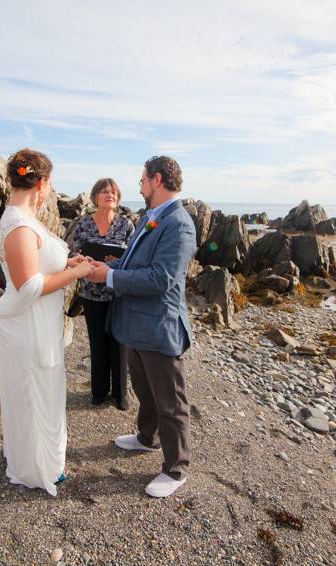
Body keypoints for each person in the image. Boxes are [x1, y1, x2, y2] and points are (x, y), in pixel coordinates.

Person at [87, 156, 197, 498]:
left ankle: (176, 467)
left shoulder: (178, 224)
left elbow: (162, 279)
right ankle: (146, 438)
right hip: (135, 324)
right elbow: (137, 262)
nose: (140, 186)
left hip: (159, 326)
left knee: (170, 400)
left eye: (142, 181)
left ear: (157, 180)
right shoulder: (152, 217)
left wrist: (111, 277)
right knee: (145, 390)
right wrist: (106, 265)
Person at [0, 148, 92, 496]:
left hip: (40, 325)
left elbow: (38, 266)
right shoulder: (19, 224)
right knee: (32, 391)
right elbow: (28, 287)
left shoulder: (25, 217)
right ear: (43, 183)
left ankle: (48, 461)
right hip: (27, 326)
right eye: (51, 183)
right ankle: (34, 467)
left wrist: (66, 264)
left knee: (45, 390)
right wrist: (77, 273)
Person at [68, 178, 135, 410]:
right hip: (90, 292)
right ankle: (98, 392)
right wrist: (86, 259)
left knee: (119, 343)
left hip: (117, 292)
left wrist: (116, 262)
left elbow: (133, 258)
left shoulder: (126, 225)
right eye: (105, 191)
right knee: (97, 343)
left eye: (114, 192)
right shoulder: (83, 224)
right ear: (96, 196)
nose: (110, 195)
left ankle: (120, 395)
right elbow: (74, 252)